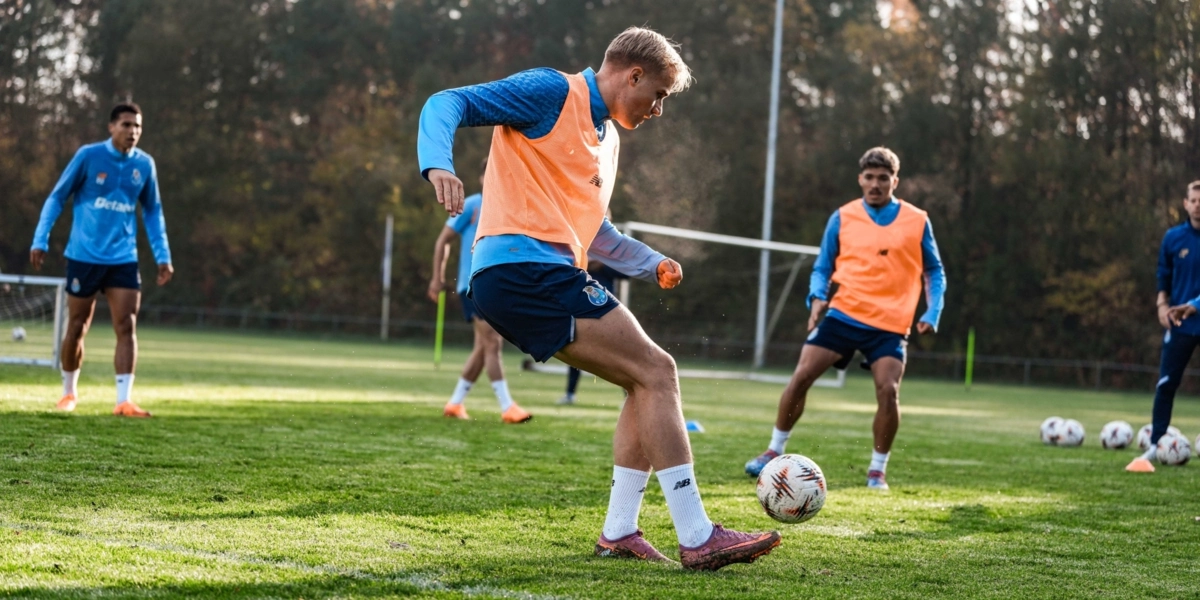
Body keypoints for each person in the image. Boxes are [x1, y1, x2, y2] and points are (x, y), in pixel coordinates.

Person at [417, 26, 780, 570]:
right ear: (632, 75)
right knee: (659, 371)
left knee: (642, 381)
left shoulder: (608, 140)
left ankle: (619, 532)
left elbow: (595, 233)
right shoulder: (550, 91)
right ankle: (698, 535)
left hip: (536, 274)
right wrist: (438, 163)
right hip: (523, 270)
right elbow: (448, 101)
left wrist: (650, 262)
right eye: (657, 94)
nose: (658, 109)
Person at [743, 147, 947, 491]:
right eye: (869, 177)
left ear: (895, 181)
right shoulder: (842, 217)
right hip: (844, 314)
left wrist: (933, 310)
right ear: (860, 179)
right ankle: (773, 450)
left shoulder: (917, 220)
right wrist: (817, 298)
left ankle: (877, 471)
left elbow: (934, 271)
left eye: (883, 178)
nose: (876, 184)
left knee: (888, 391)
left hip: (889, 324)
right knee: (801, 375)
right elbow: (822, 267)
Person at [30, 102, 173, 417]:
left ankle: (124, 400)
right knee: (77, 326)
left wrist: (163, 255)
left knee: (127, 324)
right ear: (111, 127)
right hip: (84, 256)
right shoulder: (88, 156)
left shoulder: (144, 165)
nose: (132, 131)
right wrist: (41, 238)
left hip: (123, 258)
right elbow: (57, 197)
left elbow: (152, 211)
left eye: (137, 126)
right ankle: (68, 393)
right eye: (126, 125)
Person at [428, 157, 532, 424]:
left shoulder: (511, 207)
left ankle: (455, 403)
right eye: (490, 173)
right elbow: (443, 241)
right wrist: (437, 277)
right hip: (471, 286)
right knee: (493, 342)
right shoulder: (472, 205)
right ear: (482, 178)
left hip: (497, 286)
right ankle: (508, 407)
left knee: (482, 347)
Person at [1127, 181, 1200, 473]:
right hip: (1180, 324)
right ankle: (1156, 443)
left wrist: (1194, 305)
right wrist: (1161, 305)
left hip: (1194, 312)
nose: (1198, 205)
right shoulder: (1173, 238)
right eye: (1194, 200)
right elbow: (1163, 275)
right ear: (1185, 203)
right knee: (1166, 383)